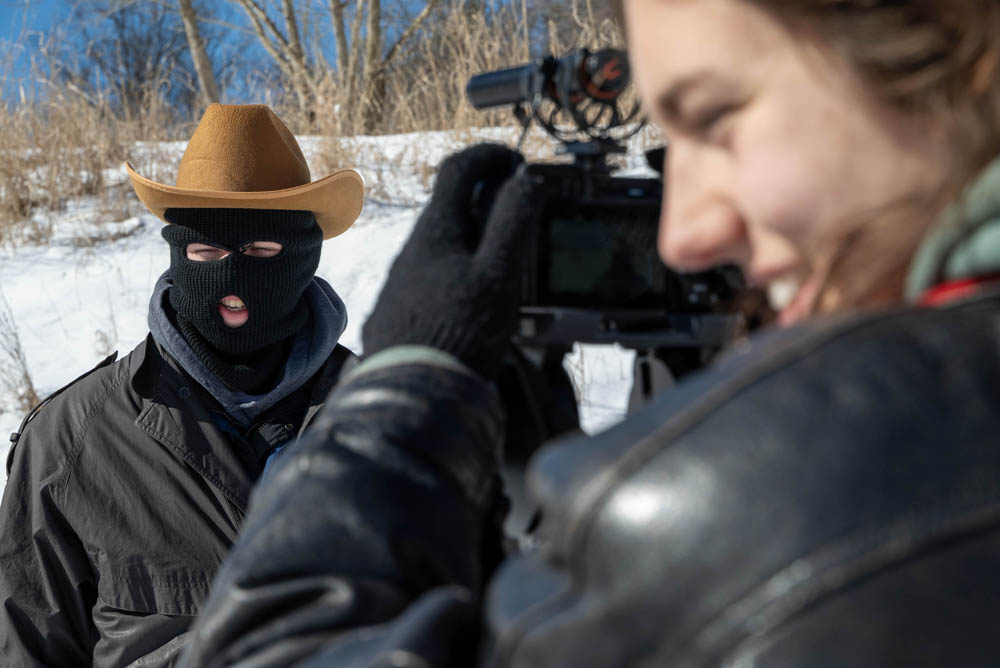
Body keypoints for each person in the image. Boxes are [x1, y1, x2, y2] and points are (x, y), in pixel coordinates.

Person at [181, 2, 1000, 666]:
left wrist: (400, 396)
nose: (679, 236)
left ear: (959, 61)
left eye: (714, 117)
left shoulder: (800, 498)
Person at [0, 103, 364, 666]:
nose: (233, 279)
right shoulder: (71, 442)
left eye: (262, 252)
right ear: (178, 255)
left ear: (303, 256)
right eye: (206, 252)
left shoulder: (387, 417)